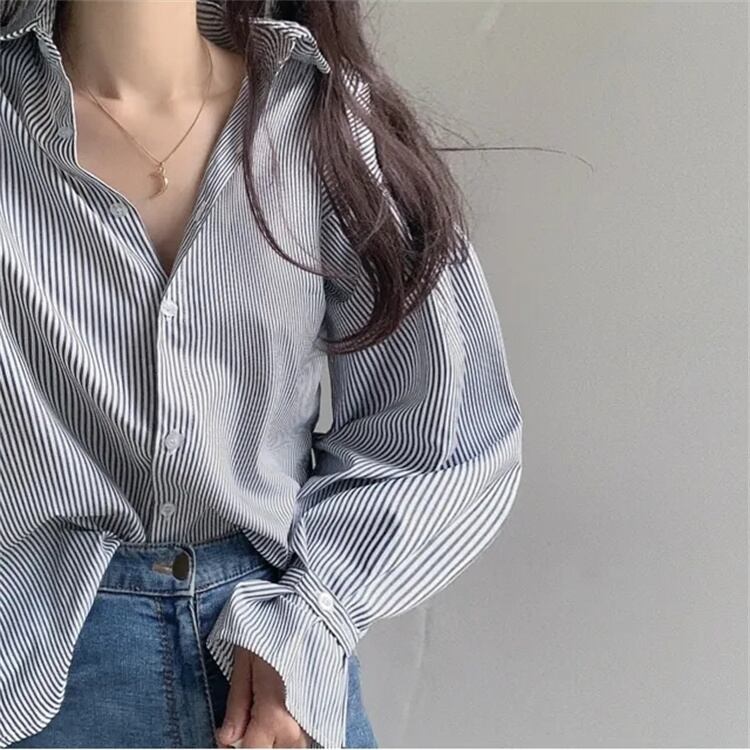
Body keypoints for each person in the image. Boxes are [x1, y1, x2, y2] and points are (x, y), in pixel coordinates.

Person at [0, 0, 524, 747]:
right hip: (33, 672)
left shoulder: (317, 118)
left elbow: (448, 434)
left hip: (275, 673)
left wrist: (311, 618)